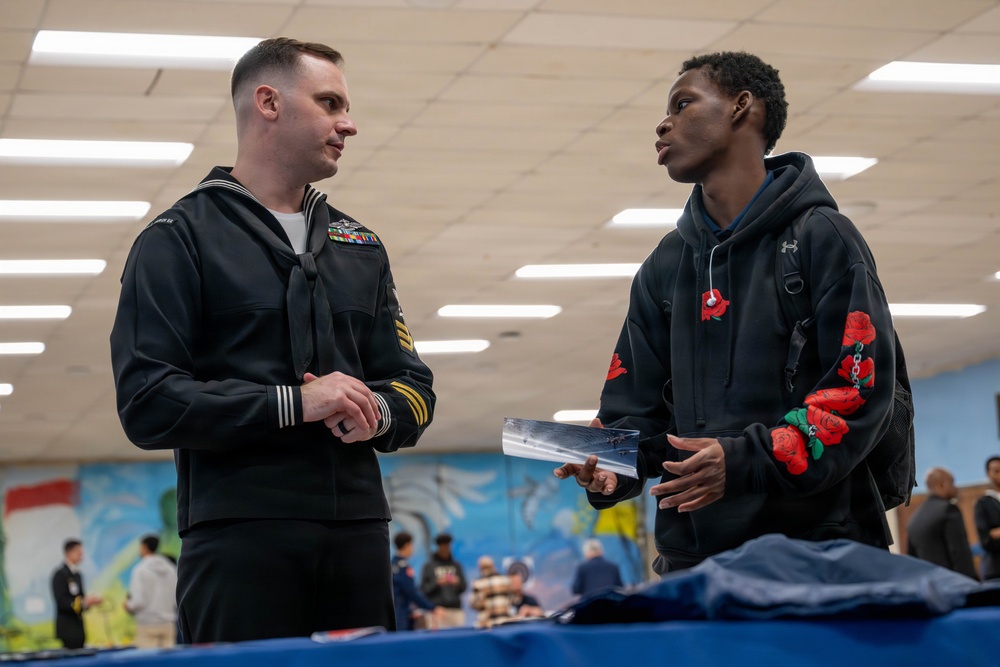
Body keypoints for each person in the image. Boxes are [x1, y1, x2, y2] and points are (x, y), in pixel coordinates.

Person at [110, 37, 435, 643]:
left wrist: (378, 411)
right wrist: (296, 403)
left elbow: (415, 387)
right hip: (239, 539)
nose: (350, 123)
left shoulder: (360, 246)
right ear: (268, 102)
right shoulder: (177, 239)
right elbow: (147, 403)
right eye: (330, 102)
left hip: (358, 537)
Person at [554, 51, 896, 574]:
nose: (663, 122)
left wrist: (741, 462)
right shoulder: (664, 266)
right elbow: (638, 411)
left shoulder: (822, 237)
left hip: (821, 554)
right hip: (695, 563)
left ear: (742, 107)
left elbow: (856, 393)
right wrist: (613, 467)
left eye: (683, 103)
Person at [906, 469, 977, 579]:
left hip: (930, 587)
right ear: (942, 484)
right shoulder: (948, 510)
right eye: (952, 482)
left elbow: (912, 559)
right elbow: (959, 552)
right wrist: (972, 584)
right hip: (953, 584)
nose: (955, 487)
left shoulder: (914, 519)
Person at [124, 535, 179, 647]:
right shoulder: (170, 568)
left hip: (147, 624)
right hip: (168, 623)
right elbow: (176, 597)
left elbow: (138, 601)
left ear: (144, 547)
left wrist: (128, 605)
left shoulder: (140, 569)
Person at [51, 539, 102, 649]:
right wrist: (82, 603)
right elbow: (61, 601)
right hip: (67, 627)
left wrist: (88, 602)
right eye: (79, 553)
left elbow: (80, 599)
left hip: (79, 627)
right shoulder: (60, 574)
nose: (81, 556)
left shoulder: (77, 575)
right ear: (69, 553)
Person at [391, 532, 442, 631]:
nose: (412, 549)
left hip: (396, 612)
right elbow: (411, 592)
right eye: (411, 545)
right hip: (400, 614)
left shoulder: (392, 565)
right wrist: (432, 607)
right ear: (407, 546)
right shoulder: (403, 567)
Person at [419, 534, 467, 628]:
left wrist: (457, 583)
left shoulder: (456, 566)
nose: (446, 549)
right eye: (443, 546)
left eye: (448, 546)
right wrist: (437, 583)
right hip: (437, 610)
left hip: (455, 609)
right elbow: (423, 589)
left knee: (458, 640)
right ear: (439, 547)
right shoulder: (429, 566)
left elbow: (464, 586)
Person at [974, 456, 1000, 580]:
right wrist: (992, 534)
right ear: (988, 474)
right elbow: (986, 538)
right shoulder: (983, 503)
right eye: (996, 471)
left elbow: (995, 533)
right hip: (996, 568)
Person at [469, 556, 513, 628]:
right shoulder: (505, 580)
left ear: (480, 568)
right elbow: (512, 600)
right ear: (493, 566)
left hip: (487, 625)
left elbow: (474, 604)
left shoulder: (478, 583)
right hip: (505, 622)